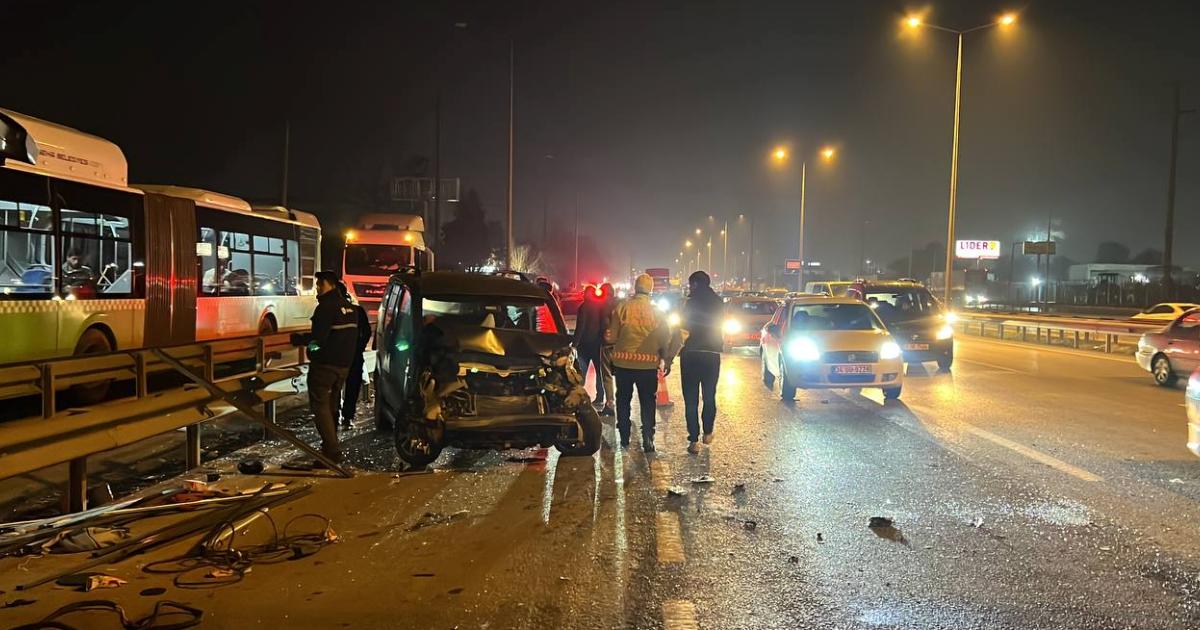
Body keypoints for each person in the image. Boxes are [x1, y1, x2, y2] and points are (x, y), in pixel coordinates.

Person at [606, 273, 679, 451]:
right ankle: (648, 437)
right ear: (650, 289)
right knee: (648, 401)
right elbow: (665, 339)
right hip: (647, 366)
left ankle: (624, 435)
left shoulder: (622, 307)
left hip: (623, 365)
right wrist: (666, 359)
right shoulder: (657, 312)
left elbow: (612, 337)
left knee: (623, 399)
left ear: (635, 287)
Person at [302, 271, 360, 466]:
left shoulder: (326, 308)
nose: (318, 287)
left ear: (331, 284)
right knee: (333, 405)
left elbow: (318, 339)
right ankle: (329, 450)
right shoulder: (350, 308)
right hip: (344, 366)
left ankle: (332, 451)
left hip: (325, 366)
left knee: (320, 407)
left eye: (321, 284)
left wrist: (307, 345)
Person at [676, 271, 724, 454]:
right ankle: (708, 432)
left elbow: (683, 327)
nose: (690, 288)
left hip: (692, 354)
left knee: (691, 399)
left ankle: (694, 440)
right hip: (712, 354)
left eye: (691, 284)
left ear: (695, 284)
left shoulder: (690, 303)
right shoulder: (718, 302)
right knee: (709, 395)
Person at [338, 281, 373, 429]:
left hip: (337, 357)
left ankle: (337, 416)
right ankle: (347, 417)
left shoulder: (330, 311)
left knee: (336, 388)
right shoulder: (357, 310)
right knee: (352, 388)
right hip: (355, 356)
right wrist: (359, 347)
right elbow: (367, 332)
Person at [574, 285, 613, 416]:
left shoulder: (583, 307)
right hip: (597, 344)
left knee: (581, 372)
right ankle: (600, 396)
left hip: (584, 345)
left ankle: (579, 397)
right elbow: (604, 324)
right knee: (599, 372)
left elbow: (580, 326)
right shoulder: (600, 306)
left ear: (586, 294)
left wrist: (575, 343)